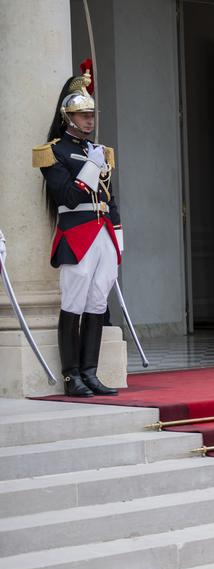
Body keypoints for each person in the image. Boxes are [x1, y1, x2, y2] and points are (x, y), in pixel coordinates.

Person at [33, 60, 120, 397]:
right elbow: (66, 196)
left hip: (103, 233)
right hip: (76, 234)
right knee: (73, 301)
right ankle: (72, 377)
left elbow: (112, 198)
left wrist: (118, 236)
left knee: (98, 302)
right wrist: (90, 168)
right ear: (69, 117)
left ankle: (91, 373)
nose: (90, 120)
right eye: (84, 115)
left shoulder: (99, 151)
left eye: (92, 115)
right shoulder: (53, 152)